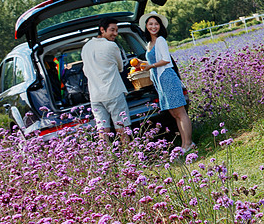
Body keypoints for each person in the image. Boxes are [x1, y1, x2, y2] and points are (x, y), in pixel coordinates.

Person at [139, 12, 194, 153]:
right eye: (150, 24)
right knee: (174, 114)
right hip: (160, 81)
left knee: (180, 112)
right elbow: (154, 60)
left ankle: (189, 143)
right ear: (146, 26)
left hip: (167, 77)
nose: (153, 26)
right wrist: (143, 63)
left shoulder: (160, 40)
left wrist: (150, 66)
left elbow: (165, 60)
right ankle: (184, 145)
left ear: (160, 26)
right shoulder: (149, 43)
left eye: (156, 24)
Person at [81, 17, 130, 143]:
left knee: (103, 132)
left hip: (95, 97)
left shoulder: (85, 47)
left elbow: (86, 70)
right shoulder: (111, 46)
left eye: (117, 30)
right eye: (112, 30)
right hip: (113, 93)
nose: (115, 34)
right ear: (102, 30)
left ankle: (106, 160)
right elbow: (120, 67)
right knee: (122, 129)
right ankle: (130, 157)